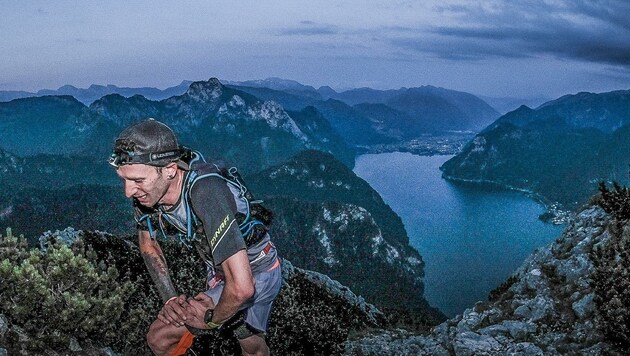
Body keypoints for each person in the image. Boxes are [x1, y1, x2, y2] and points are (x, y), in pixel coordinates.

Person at [109, 118, 282, 356]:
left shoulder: (206, 192)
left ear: (170, 170)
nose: (128, 191)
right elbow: (148, 244)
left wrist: (209, 320)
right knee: (248, 339)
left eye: (138, 180)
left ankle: (240, 326)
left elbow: (242, 288)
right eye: (124, 179)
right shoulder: (148, 191)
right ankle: (240, 325)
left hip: (258, 270)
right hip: (219, 268)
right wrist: (171, 300)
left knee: (160, 339)